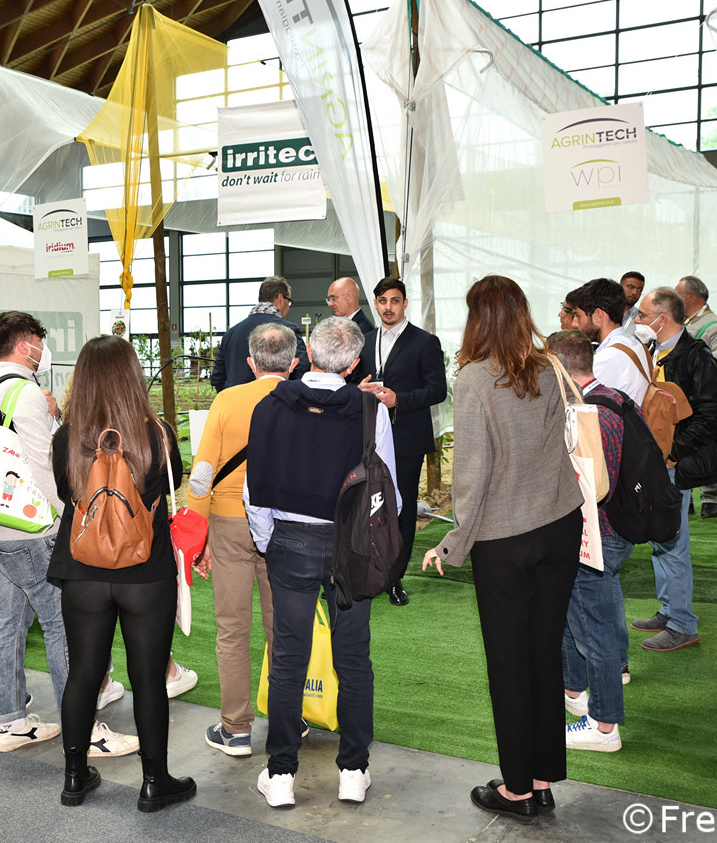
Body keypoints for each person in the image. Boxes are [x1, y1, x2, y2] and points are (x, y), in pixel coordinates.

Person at [421, 275, 582, 822]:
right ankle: (541, 779)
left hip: (504, 538)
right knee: (543, 654)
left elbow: (473, 473)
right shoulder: (551, 366)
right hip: (559, 527)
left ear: (478, 319)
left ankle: (517, 789)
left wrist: (454, 542)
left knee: (510, 665)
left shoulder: (472, 380)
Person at [245, 316, 397, 808]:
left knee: (288, 659)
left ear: (307, 353)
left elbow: (254, 486)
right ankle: (353, 770)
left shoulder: (270, 405)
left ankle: (281, 774)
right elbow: (388, 487)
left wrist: (269, 540)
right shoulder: (371, 410)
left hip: (289, 541)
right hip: (352, 545)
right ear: (353, 365)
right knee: (353, 658)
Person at [49, 335, 195, 812]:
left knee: (83, 674)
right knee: (148, 678)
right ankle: (154, 782)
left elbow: (66, 495)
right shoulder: (158, 435)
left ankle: (74, 778)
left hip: (82, 568)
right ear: (133, 376)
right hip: (146, 570)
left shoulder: (66, 438)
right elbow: (169, 486)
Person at [188, 323, 298, 757]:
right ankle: (290, 720)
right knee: (283, 628)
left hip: (230, 522)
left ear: (251, 363)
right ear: (293, 363)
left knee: (232, 630)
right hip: (287, 527)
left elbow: (202, 475)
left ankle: (235, 729)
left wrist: (199, 536)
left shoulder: (227, 400)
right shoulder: (305, 401)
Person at [0, 311, 69, 748]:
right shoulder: (24, 392)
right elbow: (45, 464)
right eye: (39, 341)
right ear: (26, 343)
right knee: (61, 624)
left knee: (10, 623)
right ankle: (80, 727)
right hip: (30, 530)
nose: (42, 350)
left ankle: (10, 722)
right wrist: (70, 513)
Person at [631, 288, 717, 652]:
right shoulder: (655, 350)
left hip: (676, 464)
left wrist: (673, 453)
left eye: (643, 315)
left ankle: (683, 624)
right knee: (662, 540)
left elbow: (711, 418)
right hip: (659, 462)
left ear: (663, 319)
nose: (637, 320)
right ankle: (669, 610)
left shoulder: (697, 357)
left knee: (672, 544)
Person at [546, 331, 630, 753]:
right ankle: (575, 692)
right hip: (615, 530)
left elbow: (586, 488)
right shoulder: (615, 399)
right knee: (580, 620)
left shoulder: (582, 414)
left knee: (594, 635)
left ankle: (604, 725)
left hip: (595, 537)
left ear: (560, 368)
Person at [349, 277, 447, 606]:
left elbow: (438, 390)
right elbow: (349, 380)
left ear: (405, 303)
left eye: (394, 301)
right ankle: (363, 569)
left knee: (401, 507)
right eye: (382, 301)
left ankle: (394, 577)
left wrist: (399, 399)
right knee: (362, 504)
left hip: (406, 438)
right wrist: (357, 390)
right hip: (365, 437)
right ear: (375, 304)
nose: (388, 307)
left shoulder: (425, 342)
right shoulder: (364, 341)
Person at [676, 276, 717, 519]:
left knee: (705, 445)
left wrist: (696, 365)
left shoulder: (714, 324)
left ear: (690, 297)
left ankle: (710, 499)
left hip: (704, 398)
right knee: (683, 443)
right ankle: (687, 497)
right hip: (683, 398)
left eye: (678, 294)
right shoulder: (683, 322)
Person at [210, 276, 310, 391]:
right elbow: (302, 369)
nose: (288, 307)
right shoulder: (288, 330)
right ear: (280, 299)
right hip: (276, 399)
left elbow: (217, 377)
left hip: (236, 399)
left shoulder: (231, 334)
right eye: (289, 301)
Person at [567, 278, 650, 405]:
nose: (574, 324)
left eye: (578, 316)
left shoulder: (609, 357)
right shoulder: (634, 344)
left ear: (598, 316)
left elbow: (572, 400)